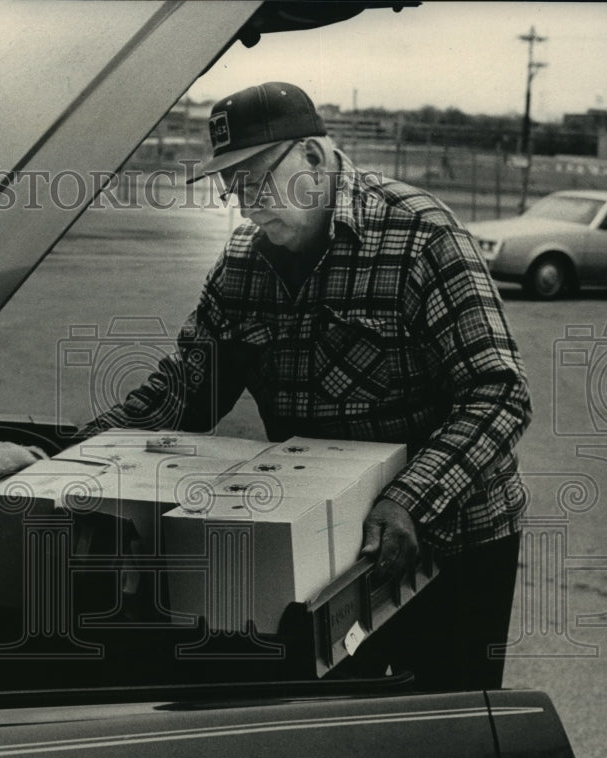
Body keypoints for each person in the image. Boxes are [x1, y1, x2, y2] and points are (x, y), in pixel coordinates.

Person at [80, 82, 531, 691]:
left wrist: (409, 499)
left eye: (256, 183)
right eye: (234, 190)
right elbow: (185, 390)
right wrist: (76, 454)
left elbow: (499, 393)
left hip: (454, 535)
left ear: (314, 158)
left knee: (446, 720)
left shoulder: (421, 235)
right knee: (332, 717)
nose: (247, 208)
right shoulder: (244, 263)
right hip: (331, 542)